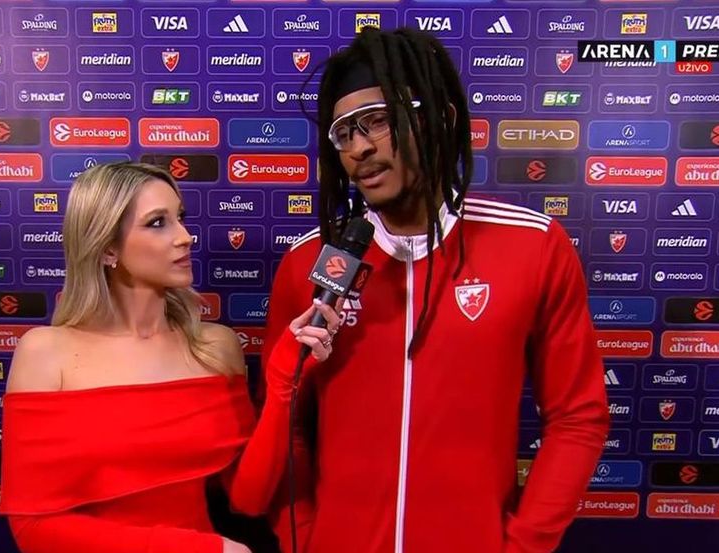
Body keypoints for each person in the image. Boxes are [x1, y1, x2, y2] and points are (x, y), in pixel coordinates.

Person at [261, 27, 610, 553]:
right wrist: (306, 536)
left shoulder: (533, 245)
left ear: (441, 119)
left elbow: (577, 416)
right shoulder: (308, 263)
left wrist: (522, 546)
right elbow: (284, 425)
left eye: (378, 120)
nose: (360, 147)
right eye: (344, 132)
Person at [0, 162, 343, 553]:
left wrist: (283, 381)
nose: (185, 236)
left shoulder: (215, 348)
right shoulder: (45, 354)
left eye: (180, 217)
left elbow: (249, 499)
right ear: (108, 247)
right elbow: (33, 529)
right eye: (158, 223)